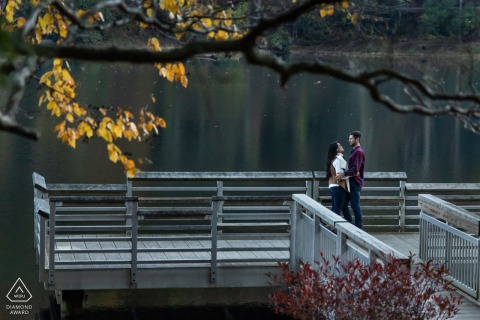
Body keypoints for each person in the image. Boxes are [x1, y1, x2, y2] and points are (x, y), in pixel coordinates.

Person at [337, 131, 365, 229]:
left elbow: (356, 169)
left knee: (355, 205)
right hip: (350, 181)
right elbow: (353, 169)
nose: (349, 140)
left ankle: (358, 228)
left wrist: (344, 173)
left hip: (355, 182)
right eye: (349, 138)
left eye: (351, 138)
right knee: (344, 204)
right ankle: (349, 226)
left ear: (357, 139)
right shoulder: (354, 151)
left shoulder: (358, 152)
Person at [326, 141, 352, 223]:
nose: (342, 145)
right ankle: (337, 230)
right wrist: (352, 174)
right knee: (337, 211)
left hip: (333, 186)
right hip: (338, 187)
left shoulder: (333, 159)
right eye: (340, 145)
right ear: (337, 149)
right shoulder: (339, 160)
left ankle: (332, 229)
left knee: (337, 208)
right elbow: (339, 175)